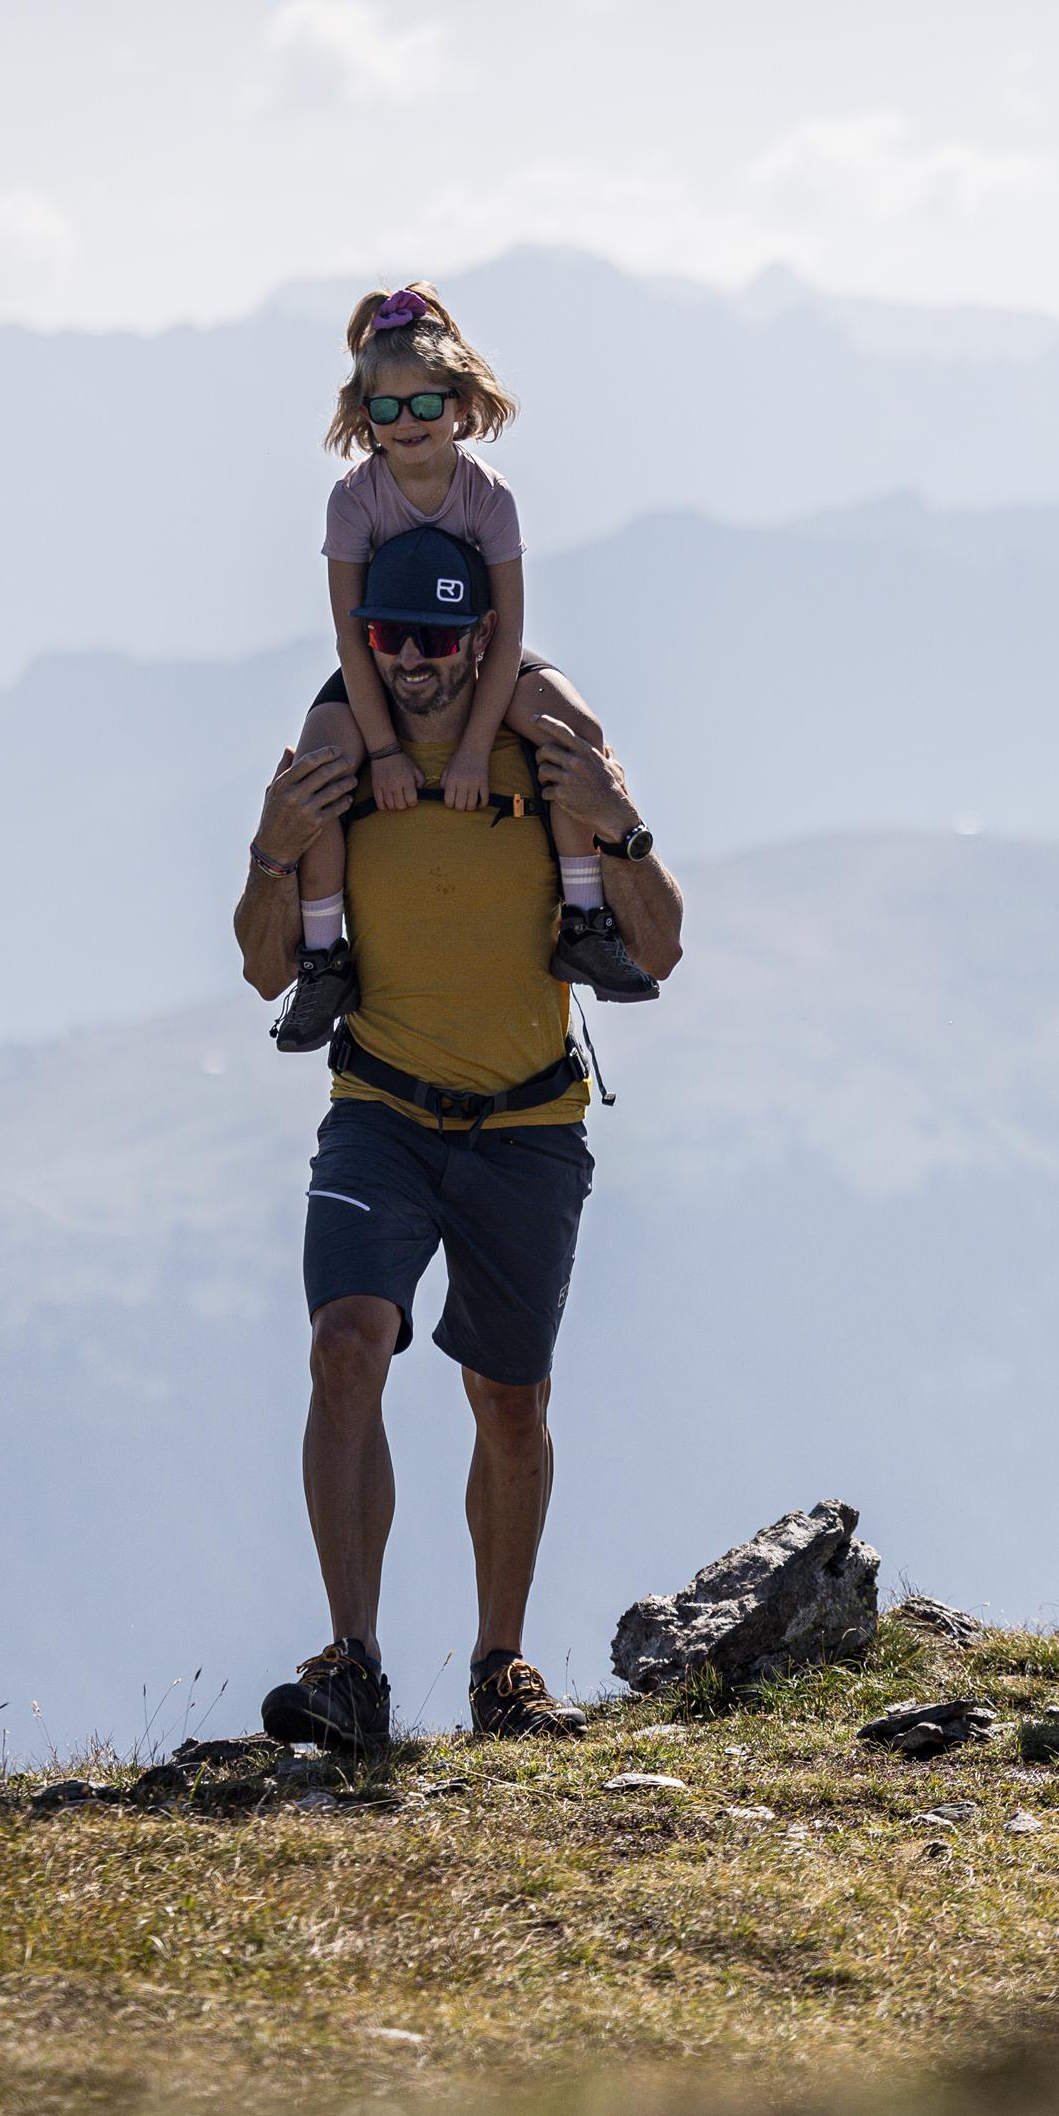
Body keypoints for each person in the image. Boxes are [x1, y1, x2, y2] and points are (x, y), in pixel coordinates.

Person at [234, 575, 684, 1748]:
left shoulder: (546, 749)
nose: (415, 659)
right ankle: (353, 1665)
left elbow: (661, 948)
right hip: (378, 1109)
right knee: (344, 1348)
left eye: (438, 636)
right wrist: (271, 854)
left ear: (485, 635)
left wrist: (624, 824)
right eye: (391, 635)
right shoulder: (337, 755)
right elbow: (263, 970)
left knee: (512, 1401)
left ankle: (499, 1667)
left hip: (528, 1125)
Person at [270, 279, 655, 1058]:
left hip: (477, 652)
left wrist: (477, 749)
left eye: (424, 403)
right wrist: (382, 751)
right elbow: (350, 638)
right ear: (363, 415)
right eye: (386, 407)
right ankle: (323, 959)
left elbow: (508, 633)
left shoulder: (489, 498)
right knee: (318, 769)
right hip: (383, 657)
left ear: (461, 404)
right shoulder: (353, 500)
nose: (406, 422)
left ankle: (584, 920)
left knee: (572, 731)